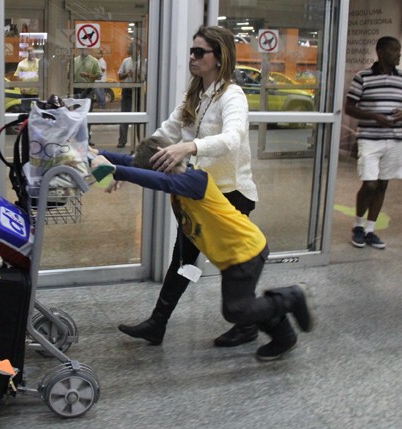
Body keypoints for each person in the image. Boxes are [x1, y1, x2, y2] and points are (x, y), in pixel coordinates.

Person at [91, 136, 313, 361]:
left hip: (245, 251)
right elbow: (131, 162)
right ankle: (284, 336)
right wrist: (94, 152)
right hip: (231, 254)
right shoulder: (177, 175)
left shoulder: (195, 180)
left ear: (166, 164)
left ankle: (290, 298)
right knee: (243, 304)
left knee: (235, 310)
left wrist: (115, 170)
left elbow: (160, 181)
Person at [115, 25, 259, 348]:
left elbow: (233, 139)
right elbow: (165, 135)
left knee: (232, 264)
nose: (192, 58)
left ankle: (251, 323)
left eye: (199, 52)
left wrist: (190, 147)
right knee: (183, 257)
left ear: (219, 58)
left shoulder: (232, 96)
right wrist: (128, 167)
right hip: (198, 193)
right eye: (191, 52)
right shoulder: (193, 95)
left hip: (230, 194)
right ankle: (158, 323)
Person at [345, 36, 402, 249]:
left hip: (395, 140)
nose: (398, 53)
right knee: (369, 183)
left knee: (382, 184)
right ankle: (358, 226)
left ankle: (370, 230)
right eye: (394, 50)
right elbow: (350, 107)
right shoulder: (363, 77)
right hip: (370, 139)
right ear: (380, 52)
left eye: (399, 50)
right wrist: (374, 116)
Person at [73, 48, 102, 144]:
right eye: (81, 49)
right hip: (76, 89)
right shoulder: (75, 61)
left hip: (88, 90)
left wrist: (88, 75)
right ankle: (78, 138)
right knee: (77, 115)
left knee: (87, 114)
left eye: (85, 49)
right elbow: (70, 75)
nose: (83, 51)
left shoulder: (94, 61)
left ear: (88, 50)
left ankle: (87, 138)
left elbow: (99, 76)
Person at [118, 44, 137, 147]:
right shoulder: (126, 61)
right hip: (127, 90)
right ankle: (122, 140)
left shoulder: (144, 62)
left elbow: (147, 76)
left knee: (139, 116)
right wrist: (127, 74)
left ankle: (140, 140)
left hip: (138, 91)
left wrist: (138, 74)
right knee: (124, 115)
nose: (129, 49)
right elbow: (120, 75)